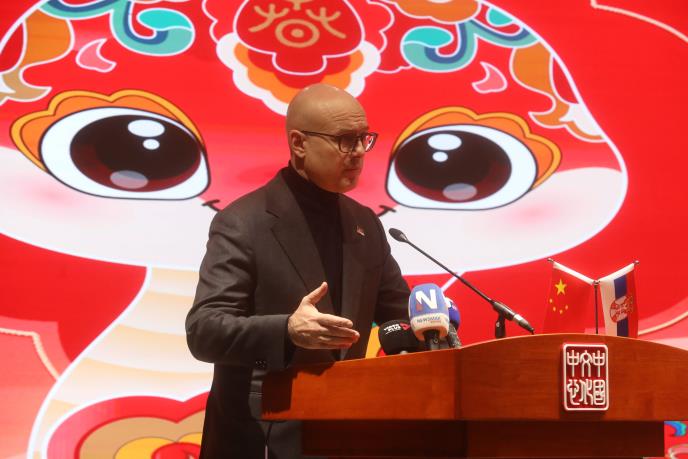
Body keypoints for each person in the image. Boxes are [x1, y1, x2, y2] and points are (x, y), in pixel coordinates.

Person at [186, 83, 410, 458]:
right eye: (345, 140)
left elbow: (398, 314)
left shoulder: (364, 224)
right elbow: (204, 330)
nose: (358, 152)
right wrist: (287, 331)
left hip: (343, 435)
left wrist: (429, 328)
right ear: (299, 143)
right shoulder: (244, 222)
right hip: (260, 438)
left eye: (363, 139)